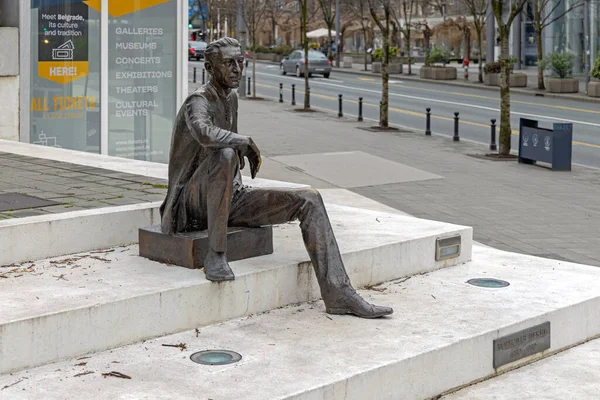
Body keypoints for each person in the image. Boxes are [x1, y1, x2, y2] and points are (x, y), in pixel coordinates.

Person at [159, 37, 393, 319]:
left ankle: (338, 293)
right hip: (189, 206)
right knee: (225, 155)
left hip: (228, 197)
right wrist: (242, 141)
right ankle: (216, 255)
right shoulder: (198, 101)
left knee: (309, 199)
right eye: (229, 63)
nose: (237, 69)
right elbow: (204, 133)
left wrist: (237, 147)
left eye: (240, 62)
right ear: (209, 66)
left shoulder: (231, 98)